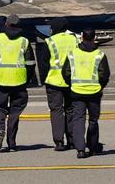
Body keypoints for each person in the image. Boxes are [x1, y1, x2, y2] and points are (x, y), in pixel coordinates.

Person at [0, 13, 35, 152]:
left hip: (0, 80)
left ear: (5, 25)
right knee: (15, 112)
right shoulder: (24, 41)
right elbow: (30, 63)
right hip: (19, 81)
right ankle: (12, 143)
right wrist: (28, 78)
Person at [61, 29, 110, 159]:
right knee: (93, 121)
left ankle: (80, 149)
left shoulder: (73, 54)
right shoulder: (100, 54)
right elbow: (104, 75)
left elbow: (66, 73)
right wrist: (99, 86)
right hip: (94, 92)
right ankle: (93, 148)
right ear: (94, 38)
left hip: (77, 92)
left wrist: (73, 85)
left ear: (81, 38)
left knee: (78, 121)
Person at [43, 17, 78, 151]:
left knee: (56, 110)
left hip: (54, 81)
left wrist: (46, 77)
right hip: (71, 81)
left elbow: (45, 63)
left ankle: (59, 141)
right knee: (71, 110)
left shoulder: (50, 41)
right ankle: (72, 140)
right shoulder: (74, 39)